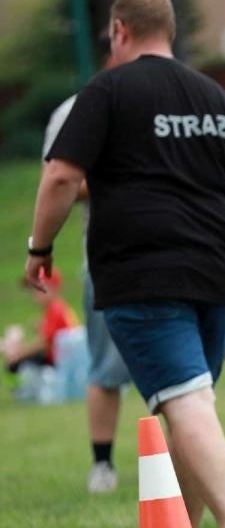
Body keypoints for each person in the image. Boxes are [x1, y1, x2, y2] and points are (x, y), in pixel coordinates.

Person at [25, 0, 225, 528]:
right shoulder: (215, 95)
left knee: (185, 401)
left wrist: (39, 249)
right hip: (215, 268)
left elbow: (61, 176)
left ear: (118, 30)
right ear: (172, 30)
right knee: (193, 399)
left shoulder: (106, 90)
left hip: (140, 268)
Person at [41, 32, 131, 494]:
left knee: (176, 376)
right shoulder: (77, 109)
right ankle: (103, 464)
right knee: (106, 366)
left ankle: (179, 465)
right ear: (113, 48)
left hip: (172, 254)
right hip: (108, 256)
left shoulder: (159, 97)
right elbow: (58, 179)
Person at [2, 266, 79, 373]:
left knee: (16, 364)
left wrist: (18, 353)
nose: (33, 293)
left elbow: (44, 343)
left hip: (63, 365)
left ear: (53, 288)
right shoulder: (53, 310)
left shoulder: (56, 309)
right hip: (61, 361)